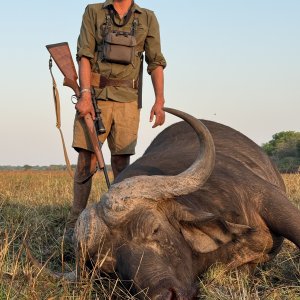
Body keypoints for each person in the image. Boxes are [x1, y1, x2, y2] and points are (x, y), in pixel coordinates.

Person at [66, 0, 167, 231]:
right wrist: (83, 95)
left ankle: (119, 221)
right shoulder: (93, 11)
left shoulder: (148, 17)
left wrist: (159, 101)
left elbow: (156, 62)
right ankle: (74, 223)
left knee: (122, 162)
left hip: (128, 100)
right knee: (86, 160)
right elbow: (84, 56)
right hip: (95, 95)